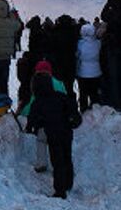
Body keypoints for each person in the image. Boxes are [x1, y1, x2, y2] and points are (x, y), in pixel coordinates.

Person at [26, 60, 80, 200]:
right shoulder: (60, 96)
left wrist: (31, 128)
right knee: (67, 156)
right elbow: (73, 109)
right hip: (67, 131)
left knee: (58, 161)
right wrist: (73, 121)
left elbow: (32, 120)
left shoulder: (38, 102)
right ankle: (68, 183)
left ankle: (60, 191)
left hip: (53, 134)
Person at [76, 23, 101, 112]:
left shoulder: (80, 44)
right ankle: (96, 110)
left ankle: (83, 110)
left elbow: (78, 55)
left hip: (83, 72)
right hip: (96, 71)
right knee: (94, 93)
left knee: (83, 93)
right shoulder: (98, 43)